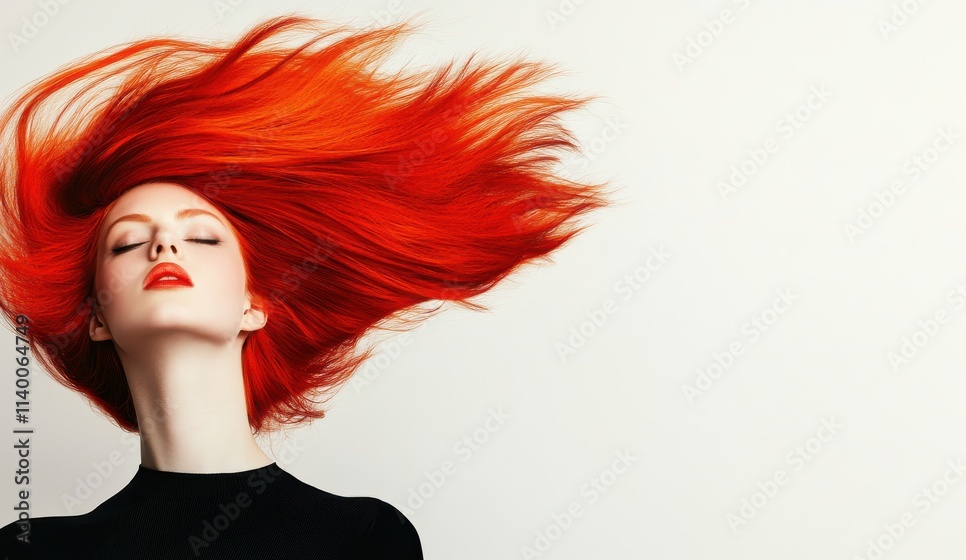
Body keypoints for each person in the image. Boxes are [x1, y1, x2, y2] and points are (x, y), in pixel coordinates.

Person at [0, 13, 612, 559]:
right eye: (128, 242)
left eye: (203, 238)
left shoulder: (362, 539)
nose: (164, 247)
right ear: (95, 316)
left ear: (253, 305)